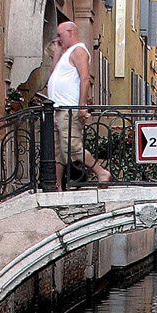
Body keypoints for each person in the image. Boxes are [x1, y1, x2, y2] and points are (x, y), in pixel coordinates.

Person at [47, 21, 112, 188]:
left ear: (70, 32)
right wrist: (58, 51)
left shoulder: (79, 51)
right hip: (58, 108)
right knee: (59, 152)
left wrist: (82, 105)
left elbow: (85, 78)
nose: (58, 39)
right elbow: (53, 75)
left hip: (69, 109)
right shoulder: (66, 53)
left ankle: (101, 172)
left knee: (73, 147)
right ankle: (57, 186)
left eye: (60, 35)